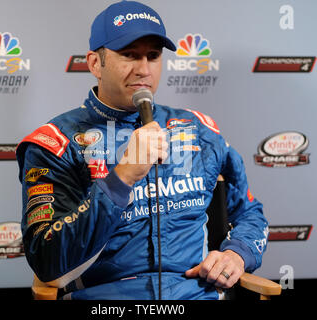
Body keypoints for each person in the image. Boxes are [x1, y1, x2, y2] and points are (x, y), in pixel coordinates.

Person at [16, 0, 269, 300]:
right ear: (95, 63)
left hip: (195, 295)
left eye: (153, 56)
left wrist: (237, 254)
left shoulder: (199, 130)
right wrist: (120, 179)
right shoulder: (56, 143)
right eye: (129, 55)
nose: (144, 70)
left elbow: (251, 213)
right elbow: (47, 260)